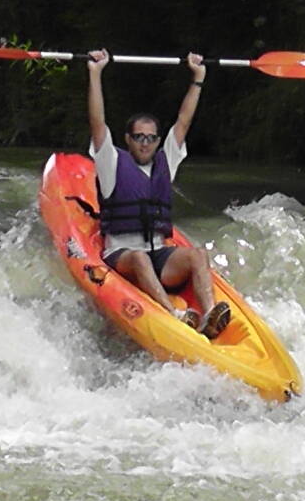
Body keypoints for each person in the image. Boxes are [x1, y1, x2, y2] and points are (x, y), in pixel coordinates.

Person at [86, 49, 232, 339]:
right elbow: (97, 122)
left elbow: (184, 121)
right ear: (128, 139)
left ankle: (210, 315)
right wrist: (95, 72)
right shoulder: (111, 162)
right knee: (139, 257)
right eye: (139, 137)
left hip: (160, 255)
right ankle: (174, 315)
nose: (145, 143)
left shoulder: (167, 161)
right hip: (122, 255)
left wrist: (198, 77)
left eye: (151, 138)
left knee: (197, 255)